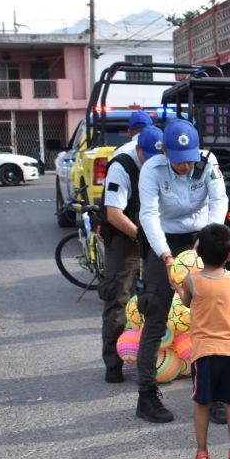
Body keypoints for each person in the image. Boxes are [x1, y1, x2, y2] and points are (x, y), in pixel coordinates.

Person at [135, 118, 227, 424]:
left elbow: (219, 199)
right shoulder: (152, 169)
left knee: (205, 316)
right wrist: (164, 255)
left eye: (189, 161)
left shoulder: (207, 162)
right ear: (165, 153)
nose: (185, 168)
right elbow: (148, 214)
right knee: (156, 313)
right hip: (163, 239)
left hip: (199, 237)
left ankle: (210, 395)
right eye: (178, 162)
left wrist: (209, 236)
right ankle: (146, 395)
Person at [174, 224, 230, 459]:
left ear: (198, 251)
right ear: (229, 255)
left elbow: (186, 301)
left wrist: (179, 289)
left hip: (204, 354)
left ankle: (202, 454)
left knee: (201, 403)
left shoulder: (191, 280)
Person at [99, 124, 160, 383]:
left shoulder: (160, 164)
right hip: (125, 240)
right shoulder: (121, 166)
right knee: (119, 300)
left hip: (152, 237)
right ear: (138, 150)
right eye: (148, 156)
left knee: (156, 301)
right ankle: (113, 363)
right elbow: (114, 214)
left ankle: (152, 359)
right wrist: (141, 237)